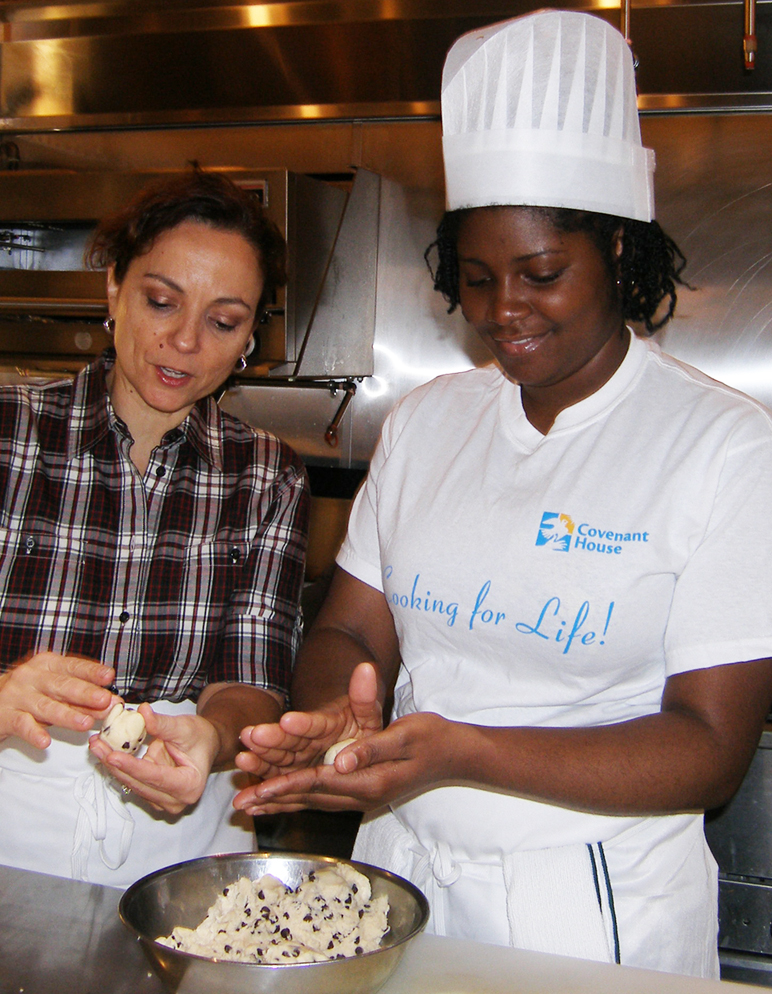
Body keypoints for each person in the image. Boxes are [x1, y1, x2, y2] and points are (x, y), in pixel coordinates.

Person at [233, 11, 772, 978]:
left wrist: (463, 751)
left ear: (617, 249)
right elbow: (351, 632)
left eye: (541, 274)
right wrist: (340, 720)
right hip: (403, 877)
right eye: (476, 280)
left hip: (594, 908)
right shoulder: (429, 423)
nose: (502, 313)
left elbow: (709, 746)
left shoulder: (725, 448)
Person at [0, 170, 309, 887]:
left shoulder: (266, 475)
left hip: (179, 849)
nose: (184, 342)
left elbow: (252, 681)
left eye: (223, 321)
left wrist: (212, 737)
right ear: (113, 290)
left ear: (250, 335)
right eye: (160, 302)